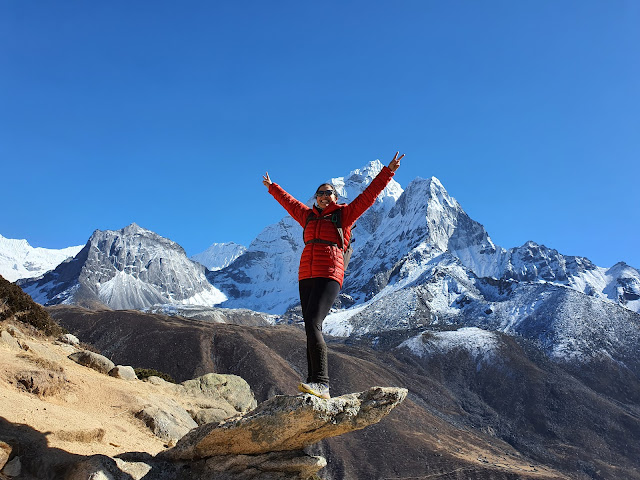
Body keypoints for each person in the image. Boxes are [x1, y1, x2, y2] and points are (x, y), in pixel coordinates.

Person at [262, 152, 404, 399]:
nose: (325, 196)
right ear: (315, 198)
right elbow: (290, 202)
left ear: (336, 198)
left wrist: (388, 171)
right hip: (306, 275)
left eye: (329, 193)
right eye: (320, 193)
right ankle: (312, 381)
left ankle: (322, 383)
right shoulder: (307, 216)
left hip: (330, 273)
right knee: (308, 325)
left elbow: (369, 195)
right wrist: (273, 188)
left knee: (314, 322)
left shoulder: (345, 214)